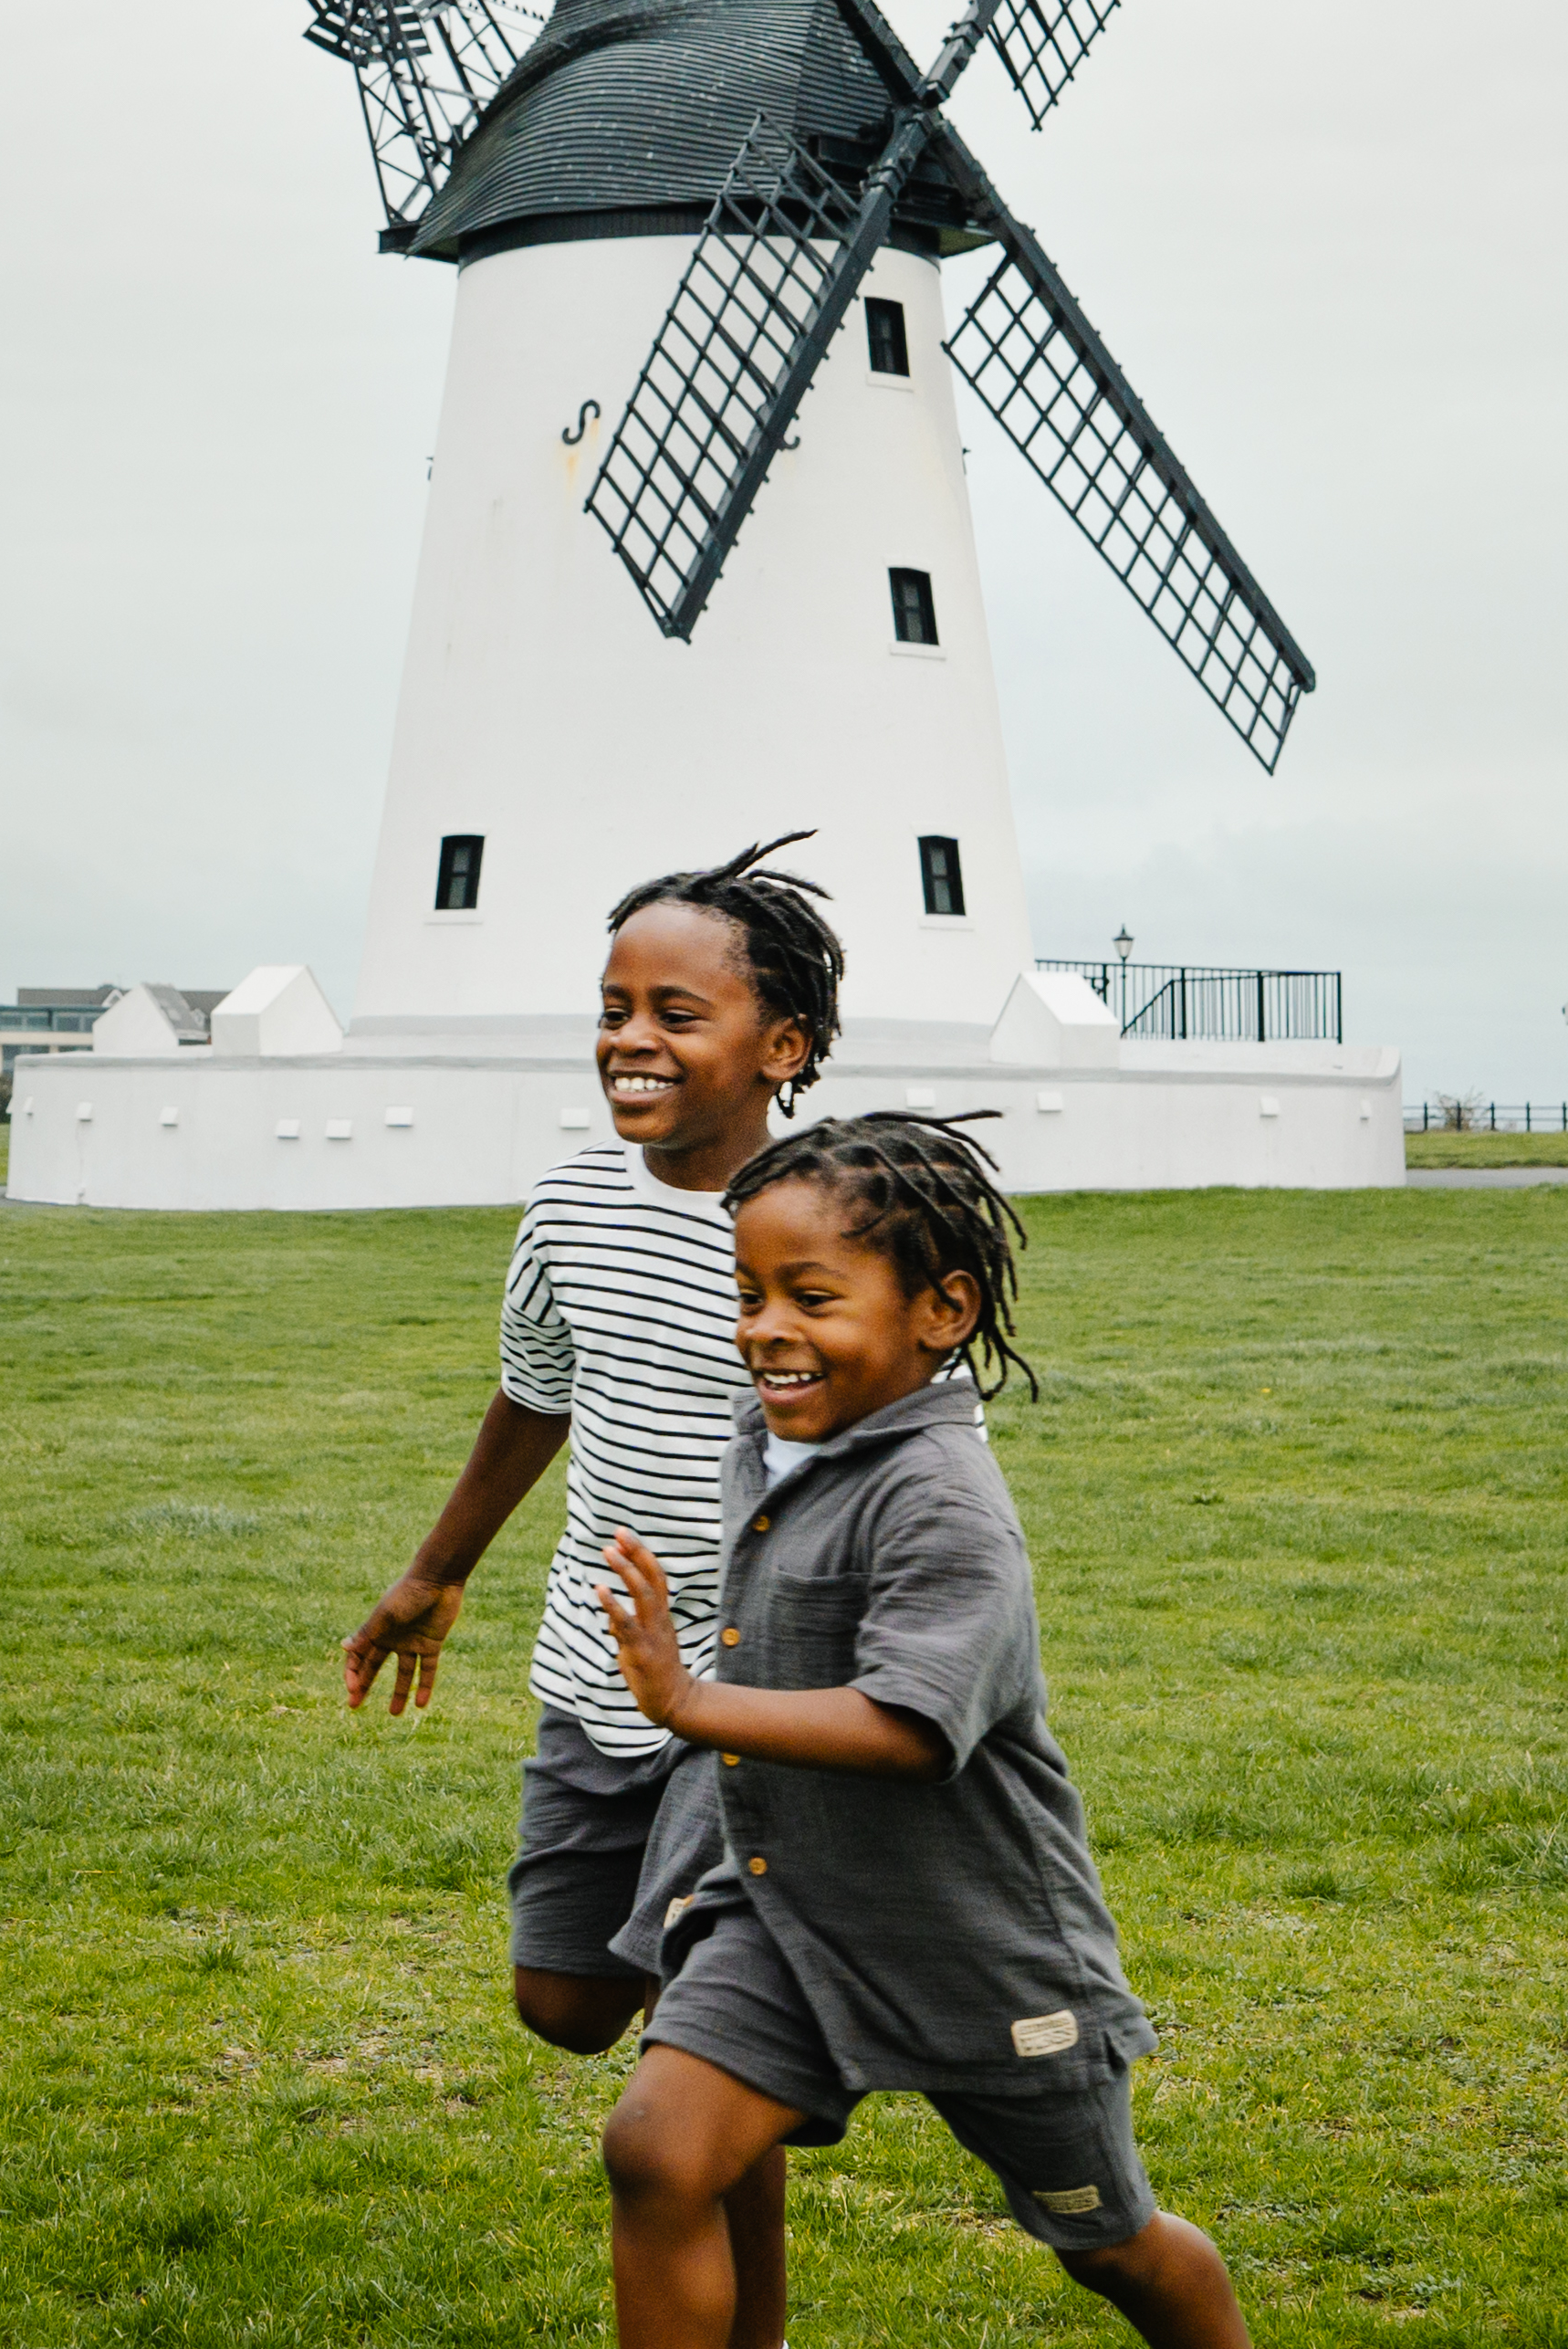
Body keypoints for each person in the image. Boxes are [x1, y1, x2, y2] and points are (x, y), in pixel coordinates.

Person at [591, 1114, 1254, 2349]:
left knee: (1109, 2243)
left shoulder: (942, 1500)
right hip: (783, 1912)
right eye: (748, 1294)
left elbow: (905, 1727)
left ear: (940, 1311)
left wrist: (688, 1703)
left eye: (811, 1296)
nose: (765, 1330)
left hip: (973, 1943)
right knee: (657, 2152)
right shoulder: (773, 1435)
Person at [342, 833, 847, 2349]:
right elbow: (536, 1394)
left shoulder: (827, 1226)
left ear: (781, 1048)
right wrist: (437, 1572)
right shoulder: (569, 1206)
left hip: (748, 1695)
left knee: (678, 2084)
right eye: (614, 1005)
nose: (630, 1038)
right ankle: (746, 2053)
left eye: (674, 1013)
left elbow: (881, 1460)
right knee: (561, 2003)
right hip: (592, 1667)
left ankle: (738, 2079)